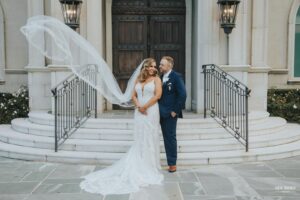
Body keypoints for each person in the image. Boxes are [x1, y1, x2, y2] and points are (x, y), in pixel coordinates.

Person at [80, 58, 164, 195]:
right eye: (152, 66)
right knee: (140, 136)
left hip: (151, 111)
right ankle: (140, 160)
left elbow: (158, 95)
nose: (154, 69)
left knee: (150, 135)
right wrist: (138, 106)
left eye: (155, 67)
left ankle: (150, 164)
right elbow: (133, 95)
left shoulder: (156, 80)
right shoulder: (139, 79)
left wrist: (145, 107)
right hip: (139, 112)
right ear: (146, 67)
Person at [158, 56, 187, 173]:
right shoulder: (160, 77)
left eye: (162, 64)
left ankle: (172, 164)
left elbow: (183, 94)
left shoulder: (176, 77)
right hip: (158, 112)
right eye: (160, 64)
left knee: (170, 138)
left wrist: (175, 110)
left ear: (169, 65)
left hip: (170, 114)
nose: (160, 66)